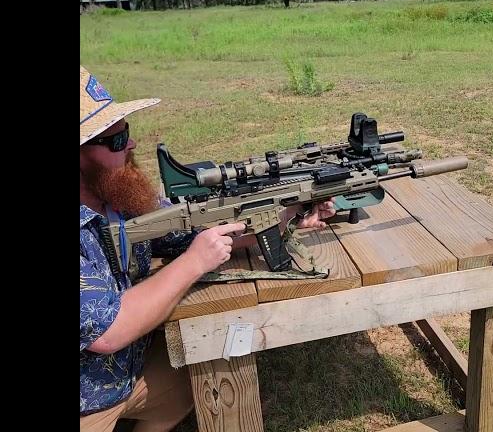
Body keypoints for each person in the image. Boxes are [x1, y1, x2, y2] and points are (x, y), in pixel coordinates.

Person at [80, 65, 335, 431]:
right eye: (116, 140)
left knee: (206, 375)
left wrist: (288, 214)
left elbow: (197, 230)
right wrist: (192, 264)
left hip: (132, 370)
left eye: (127, 133)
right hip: (87, 401)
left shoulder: (118, 195)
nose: (132, 145)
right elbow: (106, 333)